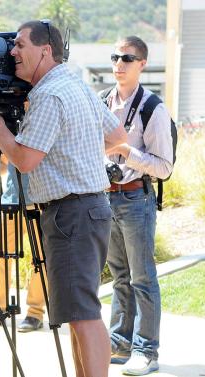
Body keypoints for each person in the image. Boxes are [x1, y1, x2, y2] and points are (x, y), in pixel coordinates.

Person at [0, 21, 127, 377]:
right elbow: (118, 134)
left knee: (84, 316)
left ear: (45, 50)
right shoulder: (73, 81)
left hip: (72, 212)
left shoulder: (48, 94)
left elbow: (26, 160)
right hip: (86, 209)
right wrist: (73, 153)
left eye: (20, 45)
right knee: (80, 314)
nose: (12, 52)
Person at [104, 36, 173, 376]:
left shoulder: (152, 107)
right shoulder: (104, 101)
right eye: (115, 57)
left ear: (142, 64)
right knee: (119, 276)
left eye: (127, 58)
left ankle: (147, 351)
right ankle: (120, 344)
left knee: (142, 277)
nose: (119, 64)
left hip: (136, 196)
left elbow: (164, 167)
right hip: (106, 195)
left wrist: (125, 151)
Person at [0, 159, 48, 332]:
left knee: (41, 259)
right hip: (10, 200)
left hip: (39, 201)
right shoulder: (11, 130)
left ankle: (35, 314)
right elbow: (4, 161)